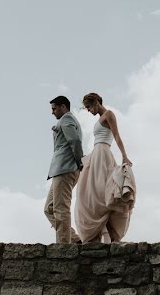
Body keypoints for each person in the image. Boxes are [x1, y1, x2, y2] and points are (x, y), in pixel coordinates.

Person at [75, 92, 135, 242]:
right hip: (95, 156)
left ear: (96, 102)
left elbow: (117, 136)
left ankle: (108, 234)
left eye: (89, 107)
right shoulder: (99, 119)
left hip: (103, 155)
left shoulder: (109, 114)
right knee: (90, 193)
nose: (89, 111)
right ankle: (100, 233)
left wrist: (124, 156)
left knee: (102, 192)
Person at [45, 96, 84, 243]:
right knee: (49, 208)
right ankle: (74, 239)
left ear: (63, 107)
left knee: (60, 209)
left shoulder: (66, 120)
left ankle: (63, 247)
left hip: (65, 168)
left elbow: (74, 141)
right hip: (60, 170)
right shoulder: (65, 121)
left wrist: (79, 162)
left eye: (54, 109)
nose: (52, 112)